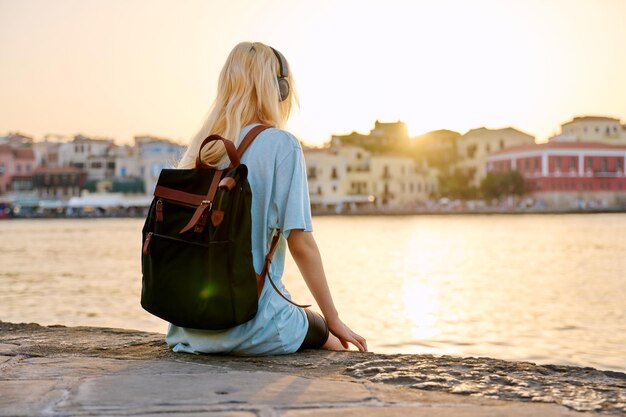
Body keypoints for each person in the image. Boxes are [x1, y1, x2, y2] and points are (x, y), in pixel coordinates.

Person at [165, 41, 367, 355]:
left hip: (188, 330)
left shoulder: (203, 148)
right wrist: (334, 319)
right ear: (279, 89)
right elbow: (300, 242)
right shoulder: (281, 145)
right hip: (252, 324)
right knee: (332, 342)